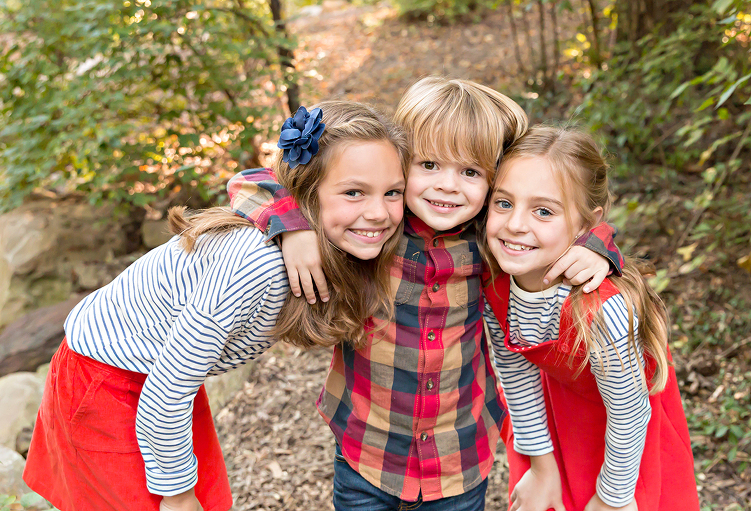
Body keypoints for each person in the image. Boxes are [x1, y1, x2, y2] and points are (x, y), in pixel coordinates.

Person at [227, 77, 625, 510]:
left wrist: (599, 247)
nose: (448, 186)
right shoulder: (375, 226)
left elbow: (562, 221)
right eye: (429, 165)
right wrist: (294, 229)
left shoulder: (491, 240)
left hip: (459, 460)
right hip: (366, 449)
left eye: (470, 172)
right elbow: (249, 184)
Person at [22, 100, 411, 511]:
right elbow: (166, 391)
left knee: (208, 500)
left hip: (168, 377)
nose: (378, 212)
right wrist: (176, 495)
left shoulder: (332, 238)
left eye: (393, 193)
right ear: (306, 192)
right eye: (354, 192)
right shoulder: (256, 266)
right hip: (110, 381)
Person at [481, 124, 699, 511]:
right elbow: (513, 368)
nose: (515, 224)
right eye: (503, 203)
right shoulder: (495, 282)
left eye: (543, 210)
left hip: (625, 432)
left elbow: (630, 413)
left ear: (586, 223)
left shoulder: (601, 309)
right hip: (548, 419)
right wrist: (542, 466)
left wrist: (612, 500)